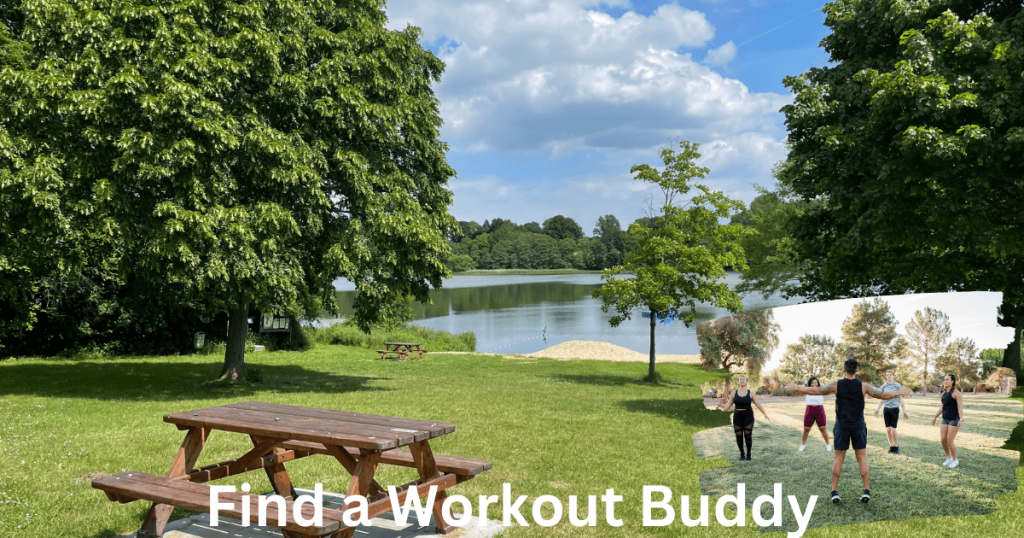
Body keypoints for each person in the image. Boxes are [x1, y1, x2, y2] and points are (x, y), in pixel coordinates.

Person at [787, 358, 911, 504]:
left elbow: (816, 390)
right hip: (858, 426)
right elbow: (882, 395)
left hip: (842, 426)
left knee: (838, 459)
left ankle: (834, 491)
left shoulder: (836, 385)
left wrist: (797, 388)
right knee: (862, 458)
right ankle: (866, 490)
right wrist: (899, 392)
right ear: (857, 370)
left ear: (844, 370)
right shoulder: (864, 386)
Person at [718, 375, 771, 461]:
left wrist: (764, 413)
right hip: (737, 416)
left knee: (748, 436)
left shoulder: (751, 393)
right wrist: (721, 412)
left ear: (746, 382)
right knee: (738, 436)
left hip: (748, 416)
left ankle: (749, 453)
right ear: (738, 382)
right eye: (740, 380)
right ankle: (742, 454)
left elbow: (757, 404)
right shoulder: (734, 393)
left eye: (744, 379)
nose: (742, 381)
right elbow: (729, 404)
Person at [932, 374, 966, 468]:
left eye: (947, 380)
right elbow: (942, 407)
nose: (945, 381)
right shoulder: (943, 393)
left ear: (952, 381)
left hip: (954, 419)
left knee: (949, 441)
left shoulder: (957, 393)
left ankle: (955, 460)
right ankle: (949, 457)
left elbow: (960, 407)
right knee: (943, 440)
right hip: (945, 419)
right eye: (944, 379)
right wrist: (935, 417)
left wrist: (961, 420)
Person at [873, 370, 909, 454]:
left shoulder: (897, 386)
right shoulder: (884, 386)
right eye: (887, 375)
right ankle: (891, 446)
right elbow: (883, 398)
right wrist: (877, 408)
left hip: (894, 408)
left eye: (890, 375)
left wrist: (904, 411)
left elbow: (900, 398)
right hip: (886, 409)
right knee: (888, 429)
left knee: (893, 429)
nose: (888, 377)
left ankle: (896, 446)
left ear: (893, 376)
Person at [799, 377, 832, 452]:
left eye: (816, 382)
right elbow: (798, 389)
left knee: (823, 428)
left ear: (818, 383)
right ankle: (803, 445)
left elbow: (830, 391)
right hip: (809, 410)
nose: (814, 384)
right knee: (806, 429)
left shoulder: (821, 390)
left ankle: (828, 445)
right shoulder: (807, 390)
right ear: (810, 384)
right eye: (812, 383)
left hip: (819, 410)